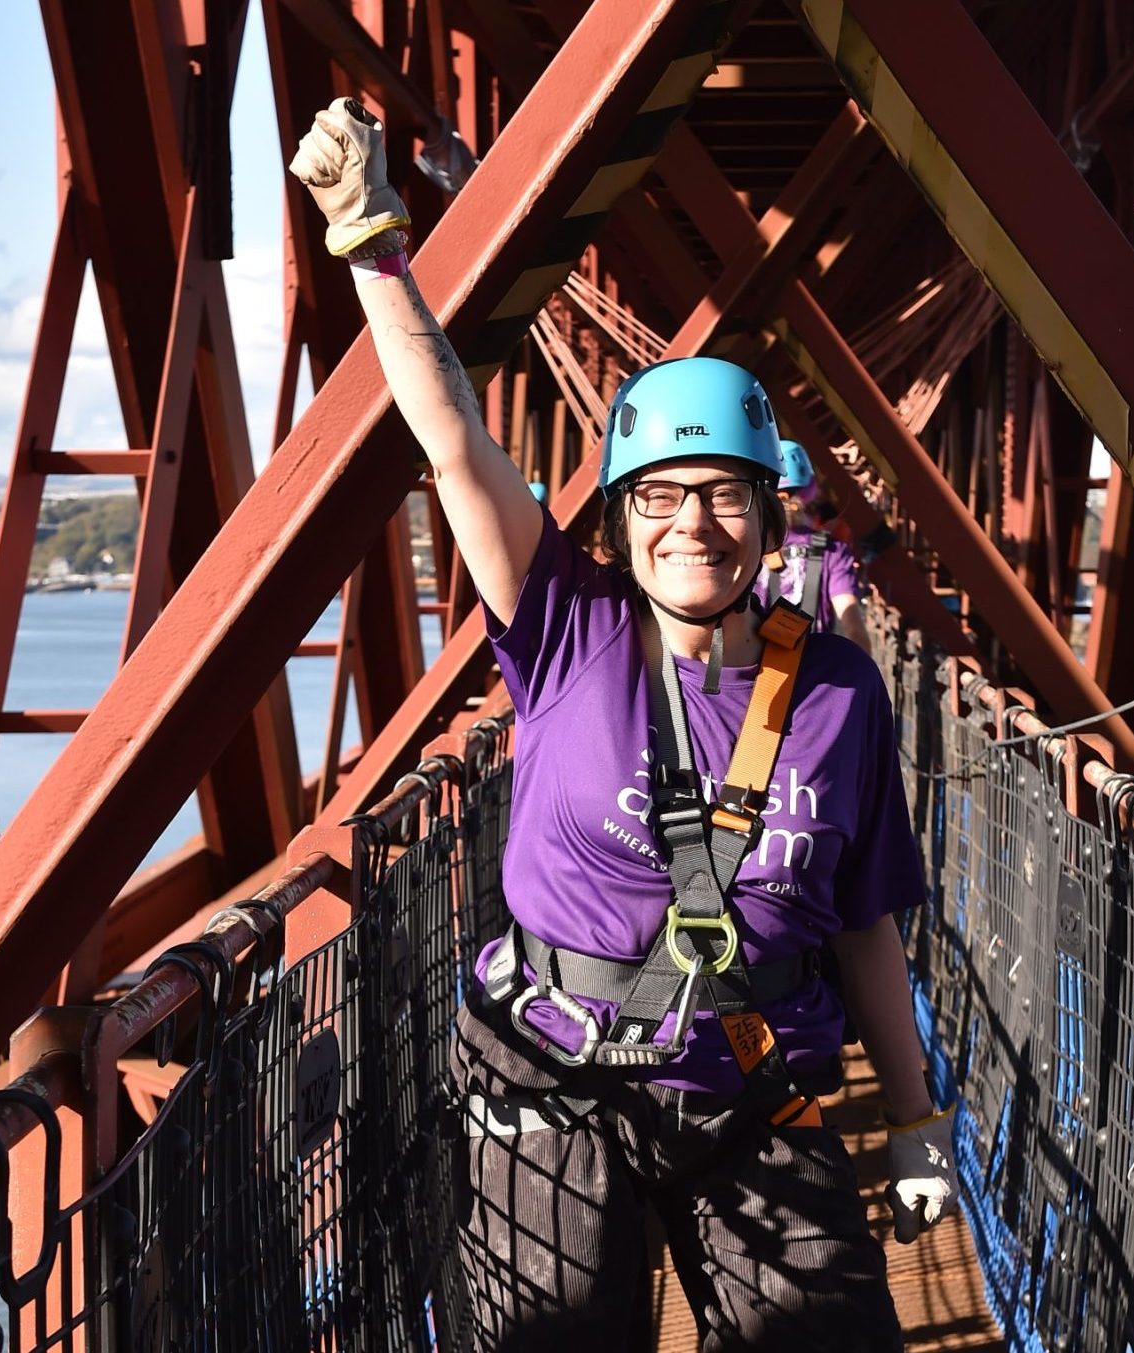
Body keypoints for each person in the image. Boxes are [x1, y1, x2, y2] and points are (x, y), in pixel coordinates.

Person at [292, 99, 955, 1350]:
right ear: (616, 516)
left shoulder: (837, 691)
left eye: (721, 496)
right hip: (551, 1090)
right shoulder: (564, 630)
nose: (691, 524)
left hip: (753, 1090)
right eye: (658, 497)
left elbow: (863, 925)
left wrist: (915, 1118)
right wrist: (373, 243)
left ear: (767, 518)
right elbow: (453, 447)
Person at [757, 440, 870, 652]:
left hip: (757, 674)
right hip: (816, 676)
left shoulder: (748, 547)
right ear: (810, 491)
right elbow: (853, 625)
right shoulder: (832, 551)